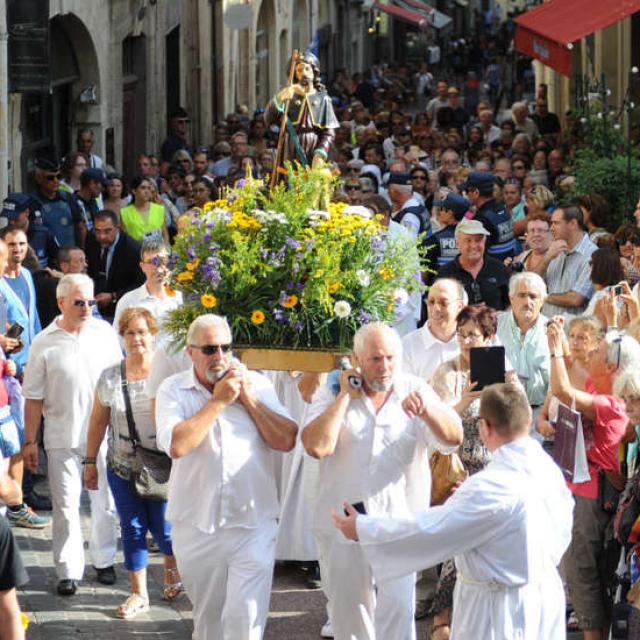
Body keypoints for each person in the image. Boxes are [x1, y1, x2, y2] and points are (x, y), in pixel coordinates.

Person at [333, 383, 574, 640]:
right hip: (545, 598)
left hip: (499, 612)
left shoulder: (489, 487)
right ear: (528, 421)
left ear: (485, 427)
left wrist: (364, 528)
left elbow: (430, 532)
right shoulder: (548, 470)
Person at [302, 322, 462, 640]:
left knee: (399, 612)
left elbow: (453, 438)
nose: (385, 366)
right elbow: (316, 446)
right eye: (375, 359)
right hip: (343, 521)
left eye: (390, 357)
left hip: (399, 523)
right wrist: (344, 398)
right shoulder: (333, 391)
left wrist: (428, 411)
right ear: (356, 358)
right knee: (350, 616)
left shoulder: (414, 388)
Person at [155, 314, 297, 640]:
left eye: (225, 347)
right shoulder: (173, 390)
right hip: (197, 526)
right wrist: (218, 402)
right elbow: (177, 445)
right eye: (209, 349)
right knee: (209, 623)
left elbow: (287, 439)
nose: (219, 356)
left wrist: (247, 398)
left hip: (254, 524)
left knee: (246, 622)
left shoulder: (257, 384)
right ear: (191, 352)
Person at [22, 274, 121, 596]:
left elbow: (120, 381)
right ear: (61, 302)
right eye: (79, 302)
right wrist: (30, 440)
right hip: (61, 434)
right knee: (65, 505)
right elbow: (33, 396)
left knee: (104, 500)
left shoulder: (104, 334)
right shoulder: (44, 341)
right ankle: (68, 568)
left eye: (91, 301)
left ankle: (104, 559)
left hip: (104, 435)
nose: (87, 308)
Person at [547, 310, 640, 640]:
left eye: (598, 353)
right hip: (586, 490)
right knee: (586, 571)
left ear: (612, 367)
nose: (592, 354)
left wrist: (555, 347)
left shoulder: (612, 403)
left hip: (593, 497)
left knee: (584, 571)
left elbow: (560, 390)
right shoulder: (597, 387)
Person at [84, 307, 182, 619]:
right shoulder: (111, 376)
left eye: (142, 332)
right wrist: (89, 462)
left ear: (153, 335)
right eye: (130, 333)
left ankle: (171, 571)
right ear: (122, 337)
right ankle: (138, 593)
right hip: (122, 464)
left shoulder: (168, 374)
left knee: (165, 529)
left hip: (163, 466)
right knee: (132, 527)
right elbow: (98, 423)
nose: (137, 338)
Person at [264, 51, 339, 171]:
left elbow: (329, 132)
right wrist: (280, 97)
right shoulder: (289, 97)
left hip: (313, 147)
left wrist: (321, 152)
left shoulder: (322, 99)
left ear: (314, 72)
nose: (304, 73)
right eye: (299, 70)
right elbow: (268, 119)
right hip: (290, 147)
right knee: (290, 181)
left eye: (307, 69)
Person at [497, 272, 550, 423]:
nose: (527, 301)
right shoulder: (494, 327)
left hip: (539, 416)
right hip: (501, 414)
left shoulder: (553, 330)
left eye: (533, 296)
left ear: (542, 301)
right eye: (522, 295)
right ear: (511, 299)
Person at [85, 209, 145, 323]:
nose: (102, 236)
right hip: (95, 306)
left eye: (107, 231)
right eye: (97, 231)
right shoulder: (92, 241)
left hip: (123, 309)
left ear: (118, 228)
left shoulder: (133, 249)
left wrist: (113, 296)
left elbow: (140, 284)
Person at [402, 278, 466, 382]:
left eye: (443, 303)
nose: (436, 309)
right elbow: (402, 391)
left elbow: (494, 388)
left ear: (460, 307)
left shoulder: (477, 341)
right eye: (431, 302)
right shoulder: (408, 345)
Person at [437, 218, 510, 310]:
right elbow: (439, 308)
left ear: (484, 242)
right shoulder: (445, 274)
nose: (474, 246)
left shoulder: (499, 268)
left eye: (478, 240)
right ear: (457, 244)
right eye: (468, 240)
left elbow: (510, 303)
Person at [112, 239, 182, 332]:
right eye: (151, 262)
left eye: (162, 261)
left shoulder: (179, 298)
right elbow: (118, 339)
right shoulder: (129, 302)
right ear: (142, 266)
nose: (158, 267)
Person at [542, 204, 598, 317]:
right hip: (545, 326)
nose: (551, 228)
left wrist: (542, 296)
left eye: (556, 223)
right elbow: (532, 280)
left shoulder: (592, 255)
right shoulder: (553, 249)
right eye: (551, 223)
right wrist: (546, 259)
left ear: (572, 223)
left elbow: (576, 299)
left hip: (572, 331)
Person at [0, 228, 41, 374]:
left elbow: (31, 316)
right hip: (8, 364)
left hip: (32, 360)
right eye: (11, 244)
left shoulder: (27, 274)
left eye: (22, 243)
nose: (17, 249)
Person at [30, 156, 82, 248]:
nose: (56, 181)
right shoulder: (32, 202)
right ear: (39, 178)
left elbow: (80, 227)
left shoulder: (69, 198)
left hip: (70, 255)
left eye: (59, 176)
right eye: (50, 178)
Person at [464, 171, 516, 262]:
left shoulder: (482, 220)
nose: (466, 194)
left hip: (492, 271)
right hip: (508, 264)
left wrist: (467, 215)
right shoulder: (502, 208)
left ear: (476, 192)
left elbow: (474, 254)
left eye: (467, 191)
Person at [0, 193, 58, 270]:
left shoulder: (44, 234)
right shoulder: (2, 236)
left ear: (27, 212)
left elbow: (57, 259)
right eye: (9, 218)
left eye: (15, 218)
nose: (12, 222)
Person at [425, 193, 468, 273]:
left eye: (441, 209)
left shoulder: (435, 239)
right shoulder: (472, 237)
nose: (439, 212)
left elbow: (425, 272)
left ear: (450, 213)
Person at [120, 177, 169, 245]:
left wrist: (165, 250)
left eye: (149, 188)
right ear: (134, 191)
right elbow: (123, 239)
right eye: (143, 188)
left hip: (157, 252)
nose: (147, 191)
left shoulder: (159, 209)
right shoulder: (125, 212)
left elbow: (165, 234)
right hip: (134, 252)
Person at [388, 173, 429, 239]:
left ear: (394, 192)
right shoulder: (419, 206)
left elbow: (406, 243)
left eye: (389, 190)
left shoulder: (409, 216)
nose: (388, 193)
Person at [72, 168, 107, 245]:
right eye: (101, 185)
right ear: (92, 184)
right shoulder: (72, 202)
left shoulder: (93, 201)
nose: (103, 189)